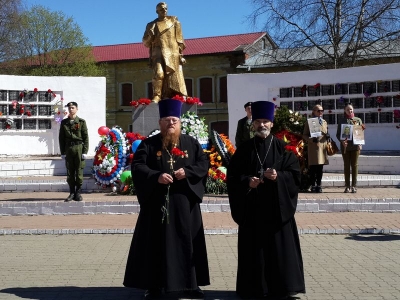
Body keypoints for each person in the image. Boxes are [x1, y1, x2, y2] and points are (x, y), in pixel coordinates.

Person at [123, 99, 210, 299]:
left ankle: (191, 285)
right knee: (155, 244)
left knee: (188, 243)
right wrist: (156, 176)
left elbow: (203, 164)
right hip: (157, 204)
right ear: (160, 122)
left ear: (180, 123)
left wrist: (188, 172)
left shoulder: (191, 143)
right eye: (167, 120)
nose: (171, 123)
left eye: (174, 120)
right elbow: (138, 167)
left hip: (185, 204)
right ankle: (154, 285)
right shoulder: (148, 144)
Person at [227, 101, 305, 300]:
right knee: (254, 251)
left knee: (279, 250)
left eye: (265, 122)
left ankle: (282, 287)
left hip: (276, 209)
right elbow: (233, 177)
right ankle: (253, 288)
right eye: (258, 121)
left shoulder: (283, 148)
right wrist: (247, 181)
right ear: (252, 124)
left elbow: (295, 176)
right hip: (252, 209)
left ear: (271, 124)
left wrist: (279, 176)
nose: (261, 125)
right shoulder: (244, 149)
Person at [143, 2, 187, 103]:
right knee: (159, 73)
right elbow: (145, 43)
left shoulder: (175, 22)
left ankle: (172, 95)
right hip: (157, 52)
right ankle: (157, 95)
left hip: (172, 53)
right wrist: (150, 36)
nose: (164, 11)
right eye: (162, 9)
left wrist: (181, 55)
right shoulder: (151, 25)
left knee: (173, 77)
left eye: (166, 9)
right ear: (157, 11)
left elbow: (180, 40)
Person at [58, 101, 89, 202]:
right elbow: (61, 138)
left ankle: (78, 193)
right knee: (70, 172)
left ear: (77, 109)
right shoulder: (64, 123)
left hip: (79, 148)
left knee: (79, 171)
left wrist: (85, 151)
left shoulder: (81, 122)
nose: (71, 110)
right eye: (69, 108)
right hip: (69, 149)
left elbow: (85, 138)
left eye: (72, 108)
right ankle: (71, 192)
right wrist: (62, 152)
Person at [336, 103, 363, 193]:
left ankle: (354, 186)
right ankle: (347, 186)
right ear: (345, 111)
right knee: (346, 166)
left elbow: (360, 132)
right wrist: (342, 141)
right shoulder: (342, 121)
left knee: (355, 166)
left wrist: (360, 143)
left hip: (355, 146)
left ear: (353, 110)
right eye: (347, 110)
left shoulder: (358, 120)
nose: (349, 111)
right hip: (345, 147)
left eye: (351, 109)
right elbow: (338, 134)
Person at [302, 104, 329, 193]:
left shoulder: (324, 122)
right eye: (318, 111)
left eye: (322, 111)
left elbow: (325, 132)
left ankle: (319, 185)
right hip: (313, 147)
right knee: (313, 168)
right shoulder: (310, 122)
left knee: (320, 168)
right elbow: (304, 135)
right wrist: (310, 140)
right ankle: (313, 185)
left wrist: (327, 136)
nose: (320, 112)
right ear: (313, 111)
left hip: (322, 147)